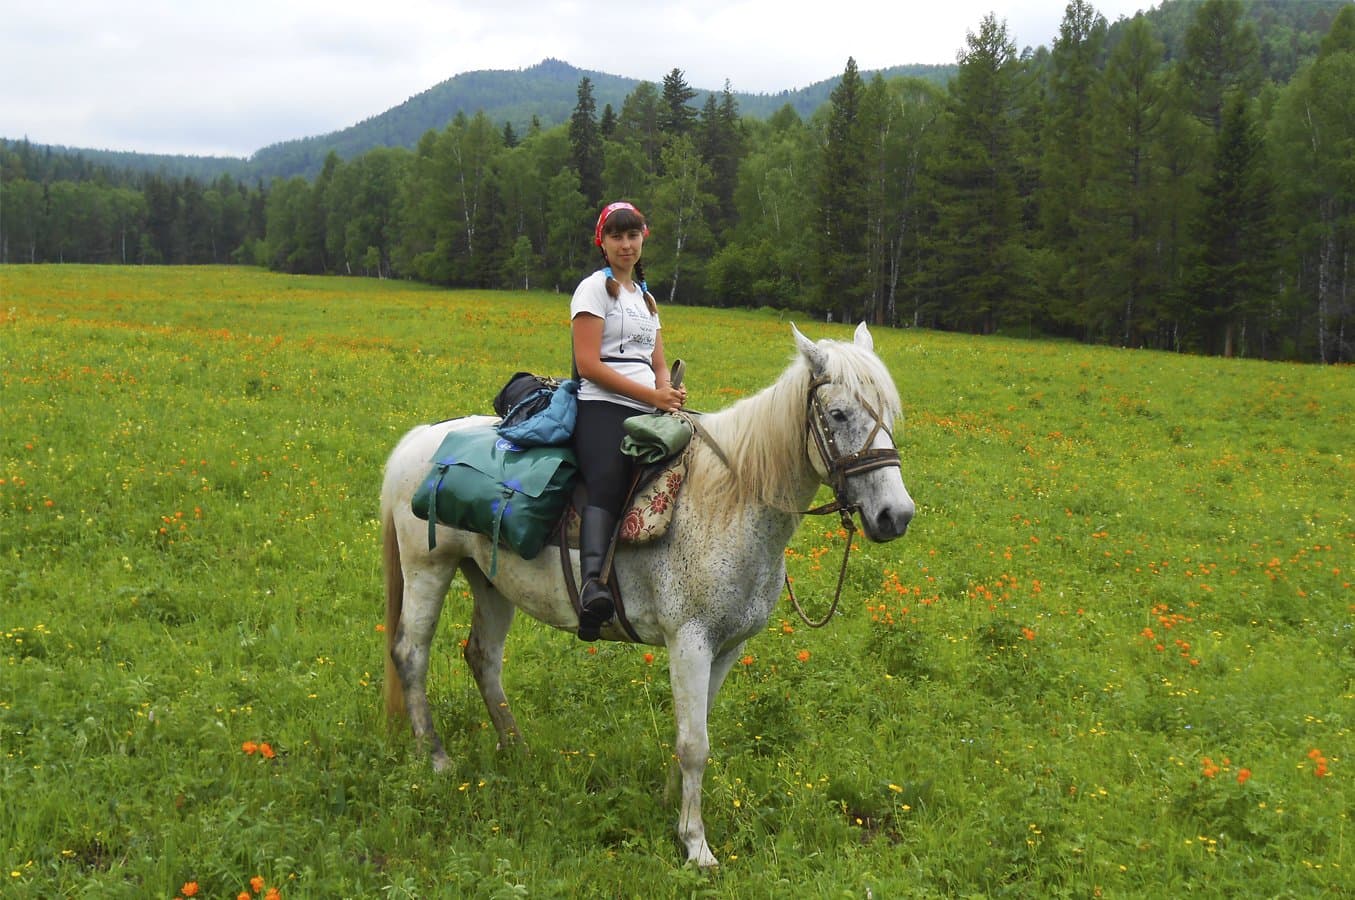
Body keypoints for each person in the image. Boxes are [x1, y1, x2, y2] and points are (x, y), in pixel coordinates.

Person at [570, 201, 687, 640]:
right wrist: (650, 394)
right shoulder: (593, 290)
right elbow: (588, 365)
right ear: (602, 242)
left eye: (632, 235)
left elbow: (657, 361)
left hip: (648, 404)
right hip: (601, 404)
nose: (625, 244)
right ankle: (591, 587)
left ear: (644, 238)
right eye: (616, 236)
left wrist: (667, 392)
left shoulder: (645, 297)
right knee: (607, 477)